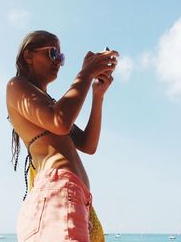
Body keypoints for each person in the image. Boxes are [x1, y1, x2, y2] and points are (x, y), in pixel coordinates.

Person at [6, 30, 119, 241]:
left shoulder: (50, 103)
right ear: (28, 55)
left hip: (71, 195)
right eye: (52, 53)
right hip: (57, 193)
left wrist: (98, 95)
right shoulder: (16, 85)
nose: (58, 61)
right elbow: (60, 122)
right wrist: (85, 73)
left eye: (61, 57)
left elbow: (88, 144)